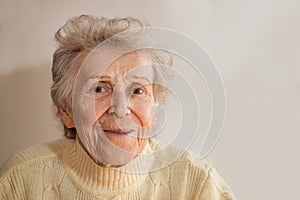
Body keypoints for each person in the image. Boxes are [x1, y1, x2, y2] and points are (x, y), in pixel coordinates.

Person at [0, 15, 235, 199]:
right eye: (99, 89)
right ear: (66, 111)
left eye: (137, 90)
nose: (121, 109)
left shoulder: (196, 183)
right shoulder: (20, 180)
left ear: (154, 111)